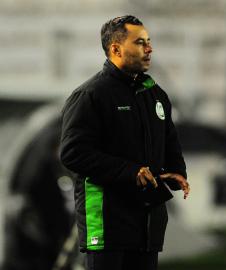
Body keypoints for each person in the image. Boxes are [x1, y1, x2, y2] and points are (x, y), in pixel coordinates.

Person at [59, 15, 190, 270]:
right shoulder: (90, 95)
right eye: (140, 42)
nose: (149, 49)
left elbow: (170, 143)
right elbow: (73, 153)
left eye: (149, 42)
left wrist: (176, 172)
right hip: (106, 223)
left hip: (147, 226)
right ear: (116, 49)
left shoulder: (156, 94)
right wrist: (130, 172)